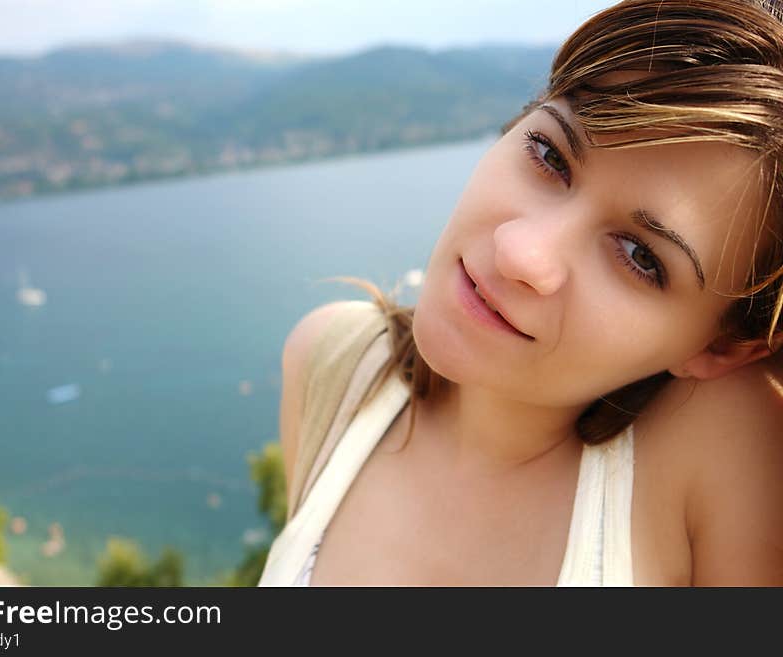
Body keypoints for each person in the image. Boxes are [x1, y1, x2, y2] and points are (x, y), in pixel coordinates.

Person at [258, 0, 783, 586]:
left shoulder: (721, 451)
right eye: (550, 155)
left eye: (640, 258)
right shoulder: (332, 364)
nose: (520, 253)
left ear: (725, 348)